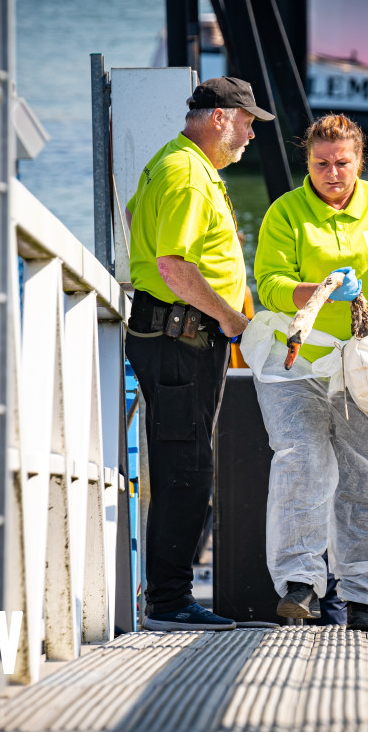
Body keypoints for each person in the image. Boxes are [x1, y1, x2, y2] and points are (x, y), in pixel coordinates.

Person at [246, 113, 368, 632]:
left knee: (366, 478)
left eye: (342, 163)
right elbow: (271, 286)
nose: (332, 173)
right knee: (301, 459)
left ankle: (361, 595)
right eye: (321, 163)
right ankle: (299, 584)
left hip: (364, 366)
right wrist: (323, 288)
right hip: (298, 359)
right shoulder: (286, 212)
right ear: (308, 162)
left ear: (360, 162)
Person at [124, 77, 273, 631]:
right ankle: (168, 601)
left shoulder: (176, 161)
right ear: (219, 118)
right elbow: (174, 267)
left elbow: (140, 220)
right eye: (247, 122)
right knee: (186, 468)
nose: (251, 135)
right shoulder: (188, 174)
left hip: (175, 332)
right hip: (181, 337)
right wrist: (233, 319)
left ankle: (168, 595)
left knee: (181, 462)